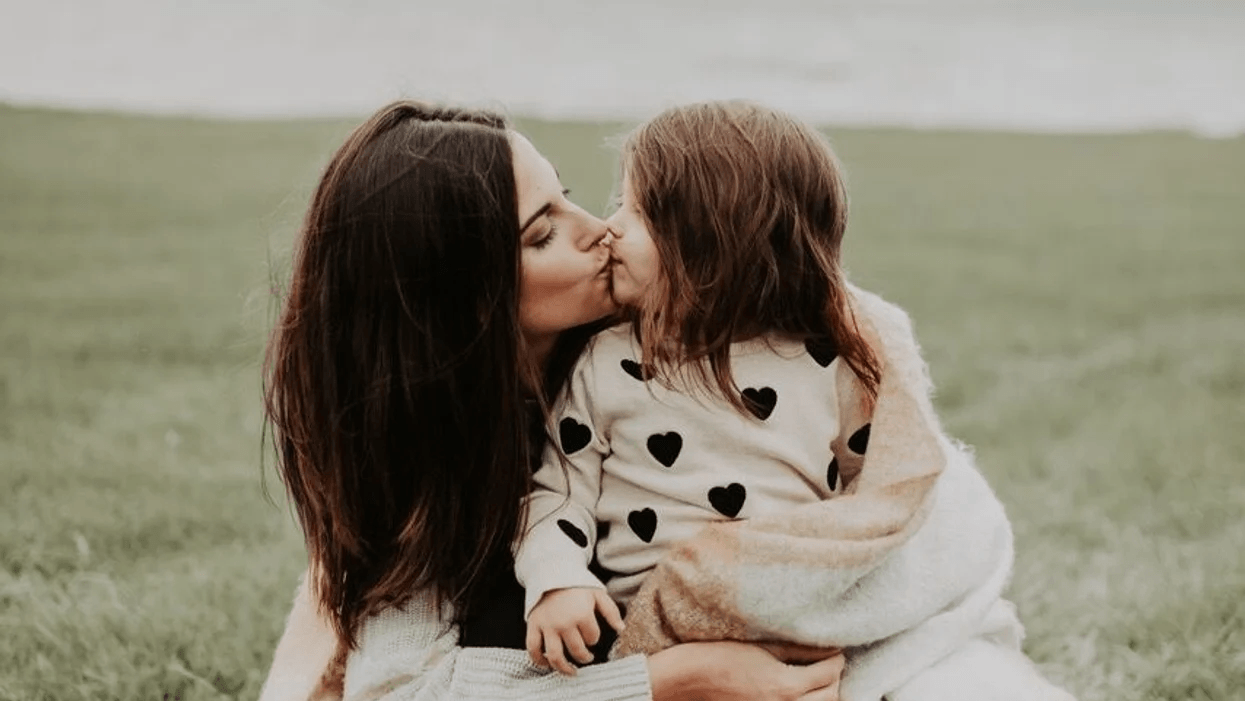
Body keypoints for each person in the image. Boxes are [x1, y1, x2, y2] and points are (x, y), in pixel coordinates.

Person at [257, 100, 845, 701]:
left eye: (567, 195)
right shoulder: (424, 468)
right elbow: (400, 693)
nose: (599, 228)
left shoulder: (672, 339)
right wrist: (677, 681)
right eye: (543, 233)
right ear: (466, 301)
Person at [515, 101, 1076, 701]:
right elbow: (560, 491)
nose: (610, 227)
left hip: (802, 618)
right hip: (671, 641)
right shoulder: (605, 364)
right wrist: (556, 581)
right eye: (617, 204)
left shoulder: (827, 360)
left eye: (638, 211)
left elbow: (879, 496)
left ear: (714, 246)